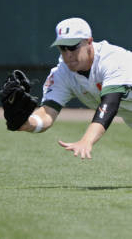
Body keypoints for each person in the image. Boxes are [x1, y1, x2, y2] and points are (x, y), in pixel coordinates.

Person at [18, 17, 132, 159]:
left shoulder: (112, 60)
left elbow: (110, 105)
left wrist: (86, 141)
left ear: (89, 42)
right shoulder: (62, 74)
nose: (68, 54)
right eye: (63, 48)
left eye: (72, 46)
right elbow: (47, 113)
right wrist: (26, 123)